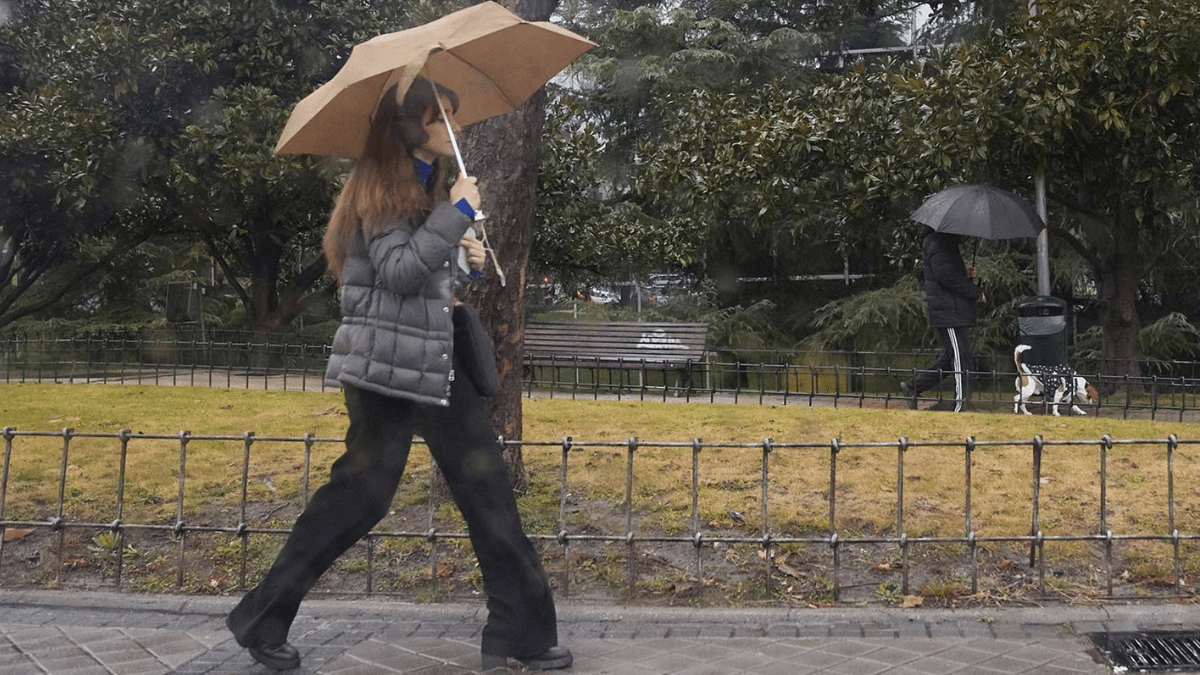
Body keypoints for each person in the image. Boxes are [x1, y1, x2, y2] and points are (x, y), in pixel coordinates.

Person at [226, 77, 572, 673]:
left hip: (424, 367)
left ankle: (520, 633)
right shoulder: (384, 190)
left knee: (482, 495)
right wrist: (458, 212)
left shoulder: (417, 188)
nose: (455, 128)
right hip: (391, 375)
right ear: (411, 126)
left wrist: (466, 264)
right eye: (444, 119)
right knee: (362, 500)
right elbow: (401, 273)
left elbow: (420, 288)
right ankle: (262, 616)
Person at [900, 226, 986, 413]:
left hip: (951, 309)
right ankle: (961, 405)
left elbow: (949, 274)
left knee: (951, 358)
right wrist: (974, 292)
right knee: (961, 360)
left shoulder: (942, 242)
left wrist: (967, 277)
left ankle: (914, 387)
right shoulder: (940, 242)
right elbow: (946, 277)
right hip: (949, 312)